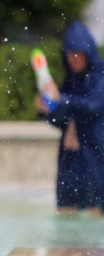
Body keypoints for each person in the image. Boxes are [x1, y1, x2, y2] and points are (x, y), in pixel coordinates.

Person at [35, 22, 104, 214]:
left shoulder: (100, 75)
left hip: (95, 157)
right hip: (70, 158)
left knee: (96, 213)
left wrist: (61, 99)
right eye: (69, 53)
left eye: (77, 53)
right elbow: (62, 119)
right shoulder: (71, 79)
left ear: (87, 52)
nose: (72, 58)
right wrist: (48, 109)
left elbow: (92, 106)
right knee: (65, 211)